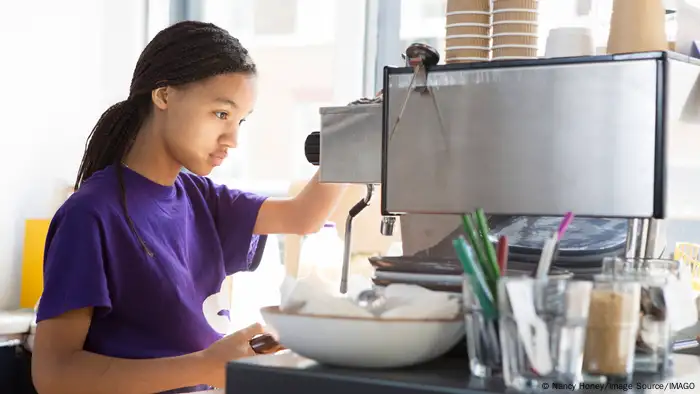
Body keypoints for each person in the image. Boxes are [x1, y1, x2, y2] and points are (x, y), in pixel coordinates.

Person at [31, 21, 346, 394]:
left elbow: (303, 217)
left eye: (240, 120)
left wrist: (356, 136)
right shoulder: (91, 216)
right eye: (221, 114)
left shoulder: (201, 197)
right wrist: (205, 366)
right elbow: (55, 375)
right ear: (163, 95)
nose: (232, 139)